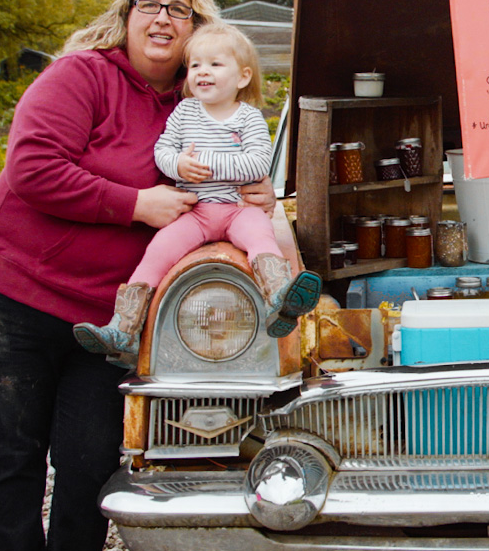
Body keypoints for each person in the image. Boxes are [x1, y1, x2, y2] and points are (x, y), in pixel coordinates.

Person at [0, 0, 271, 551]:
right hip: (16, 291)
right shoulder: (81, 77)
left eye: (179, 9)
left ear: (197, 29)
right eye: (149, 4)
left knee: (89, 455)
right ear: (127, 15)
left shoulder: (199, 105)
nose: (162, 19)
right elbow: (34, 167)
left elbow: (230, 183)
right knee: (12, 448)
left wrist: (253, 195)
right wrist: (135, 203)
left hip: (107, 316)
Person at [73, 22, 320, 359]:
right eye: (195, 65)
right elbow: (162, 150)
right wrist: (177, 165)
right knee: (157, 253)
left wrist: (204, 163)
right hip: (196, 211)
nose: (203, 72)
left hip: (238, 209)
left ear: (243, 77)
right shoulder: (184, 112)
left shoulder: (249, 118)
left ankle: (280, 300)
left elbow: (258, 164)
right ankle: (123, 329)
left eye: (215, 64)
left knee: (261, 238)